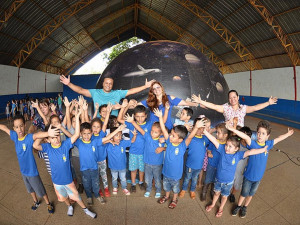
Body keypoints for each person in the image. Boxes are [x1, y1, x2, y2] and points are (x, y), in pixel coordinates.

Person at [33, 110, 97, 218]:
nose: (56, 139)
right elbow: (35, 144)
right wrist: (47, 133)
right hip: (56, 182)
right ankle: (70, 206)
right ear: (48, 140)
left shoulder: (65, 145)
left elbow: (76, 134)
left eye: (57, 136)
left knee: (77, 197)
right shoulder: (47, 148)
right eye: (53, 137)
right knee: (63, 198)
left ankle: (85, 210)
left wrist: (76, 117)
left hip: (68, 180)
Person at [227, 121, 294, 218]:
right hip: (248, 176)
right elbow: (245, 137)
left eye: (263, 133)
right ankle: (238, 206)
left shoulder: (268, 144)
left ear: (267, 136)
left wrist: (287, 134)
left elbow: (278, 139)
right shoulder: (253, 144)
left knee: (251, 194)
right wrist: (233, 129)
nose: (260, 135)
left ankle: (245, 207)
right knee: (244, 193)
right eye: (258, 132)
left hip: (258, 178)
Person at [203, 132, 270, 218]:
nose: (227, 147)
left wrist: (262, 150)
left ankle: (221, 208)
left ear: (236, 149)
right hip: (218, 180)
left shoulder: (238, 155)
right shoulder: (222, 149)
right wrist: (204, 131)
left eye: (230, 146)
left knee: (224, 196)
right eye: (226, 145)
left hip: (228, 182)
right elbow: (213, 140)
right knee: (216, 194)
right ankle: (213, 204)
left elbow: (250, 152)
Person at [0, 115, 57, 213]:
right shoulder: (15, 137)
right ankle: (36, 202)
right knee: (30, 189)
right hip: (23, 171)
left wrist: (48, 133)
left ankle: (48, 203)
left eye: (21, 126)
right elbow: (4, 128)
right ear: (14, 128)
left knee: (40, 190)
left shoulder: (29, 138)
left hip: (32, 172)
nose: (19, 129)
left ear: (25, 125)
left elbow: (37, 135)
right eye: (17, 127)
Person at [154, 108, 206, 209]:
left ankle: (174, 199)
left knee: (175, 189)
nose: (170, 136)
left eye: (173, 135)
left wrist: (196, 127)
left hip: (176, 175)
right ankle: (167, 196)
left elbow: (190, 137)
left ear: (180, 140)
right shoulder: (169, 142)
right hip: (166, 172)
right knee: (166, 187)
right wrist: (160, 117)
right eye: (171, 134)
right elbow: (164, 130)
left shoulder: (182, 146)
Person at [59, 75, 155, 116]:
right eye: (106, 83)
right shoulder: (95, 92)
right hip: (99, 124)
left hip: (113, 123)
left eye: (110, 84)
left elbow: (131, 91)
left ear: (112, 85)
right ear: (103, 83)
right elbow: (80, 90)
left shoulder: (117, 93)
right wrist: (68, 84)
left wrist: (145, 86)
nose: (108, 85)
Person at [124, 113, 165, 199]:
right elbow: (140, 129)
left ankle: (158, 190)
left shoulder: (162, 141)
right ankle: (148, 190)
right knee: (148, 179)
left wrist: (163, 148)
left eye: (156, 132)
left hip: (157, 165)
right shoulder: (147, 137)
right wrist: (132, 122)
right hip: (147, 163)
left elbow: (170, 147)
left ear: (161, 133)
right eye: (152, 131)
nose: (153, 133)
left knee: (157, 179)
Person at [118, 100, 152, 193]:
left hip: (144, 153)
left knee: (141, 170)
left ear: (146, 116)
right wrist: (124, 107)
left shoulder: (148, 125)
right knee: (133, 170)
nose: (140, 119)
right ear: (134, 116)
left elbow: (142, 132)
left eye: (142, 116)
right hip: (133, 152)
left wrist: (133, 122)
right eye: (137, 116)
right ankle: (133, 184)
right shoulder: (130, 123)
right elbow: (119, 119)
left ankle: (141, 182)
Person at [192, 90, 278, 127]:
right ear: (228, 99)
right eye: (230, 98)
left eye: (234, 97)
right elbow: (214, 106)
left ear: (238, 97)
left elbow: (255, 108)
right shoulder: (225, 108)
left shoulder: (243, 108)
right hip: (228, 134)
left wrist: (268, 103)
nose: (232, 99)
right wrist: (201, 101)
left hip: (239, 134)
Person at [179, 117, 210, 200]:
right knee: (187, 178)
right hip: (190, 164)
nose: (200, 130)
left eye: (202, 128)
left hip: (199, 166)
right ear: (194, 127)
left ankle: (192, 190)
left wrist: (209, 151)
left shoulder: (205, 139)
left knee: (195, 179)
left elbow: (211, 145)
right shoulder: (190, 138)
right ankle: (183, 189)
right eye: (198, 127)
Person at [200, 123, 229, 201]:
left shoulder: (227, 145)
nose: (216, 134)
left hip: (219, 167)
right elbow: (209, 148)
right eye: (216, 132)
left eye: (218, 133)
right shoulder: (214, 141)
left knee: (215, 180)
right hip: (211, 164)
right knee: (207, 179)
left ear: (225, 135)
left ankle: (212, 192)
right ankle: (204, 192)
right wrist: (209, 153)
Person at [106, 124, 133, 195]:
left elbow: (132, 141)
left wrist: (135, 135)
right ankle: (115, 187)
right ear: (111, 136)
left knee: (123, 178)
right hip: (113, 166)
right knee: (114, 178)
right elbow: (102, 141)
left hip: (122, 166)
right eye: (116, 135)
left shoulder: (123, 143)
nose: (119, 137)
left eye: (120, 135)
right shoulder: (108, 145)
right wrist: (110, 141)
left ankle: (124, 188)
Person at [228, 126, 252, 203]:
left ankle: (232, 194)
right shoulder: (237, 143)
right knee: (229, 182)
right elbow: (232, 137)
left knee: (237, 185)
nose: (244, 139)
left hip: (241, 171)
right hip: (232, 169)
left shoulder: (250, 148)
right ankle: (226, 193)